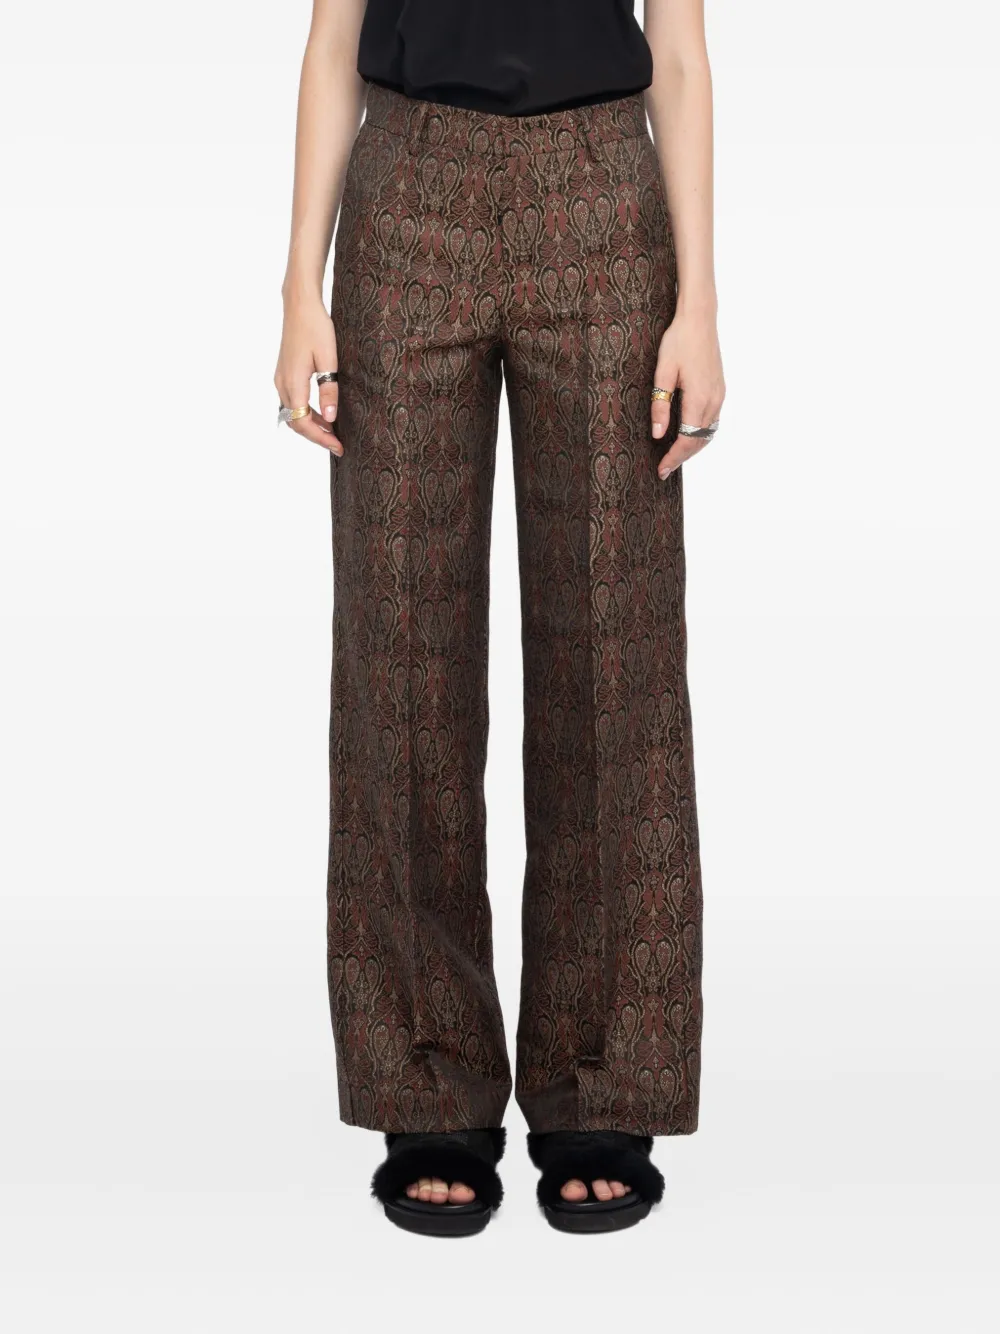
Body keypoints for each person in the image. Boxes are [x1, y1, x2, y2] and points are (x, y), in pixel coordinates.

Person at [274, 0, 724, 1237]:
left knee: (616, 651)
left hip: (603, 199)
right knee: (399, 649)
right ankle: (426, 1076)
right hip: (405, 194)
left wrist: (699, 301)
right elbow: (331, 41)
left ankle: (602, 1074)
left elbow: (679, 52)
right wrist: (298, 283)